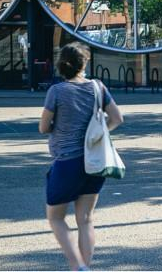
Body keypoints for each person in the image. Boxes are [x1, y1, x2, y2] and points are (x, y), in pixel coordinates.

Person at [39, 43, 123, 271]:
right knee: (85, 219)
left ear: (61, 65)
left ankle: (78, 267)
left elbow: (44, 127)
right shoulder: (98, 87)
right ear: (84, 63)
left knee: (55, 217)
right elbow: (117, 118)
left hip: (67, 161)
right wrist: (95, 134)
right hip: (95, 160)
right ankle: (86, 266)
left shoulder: (56, 91)